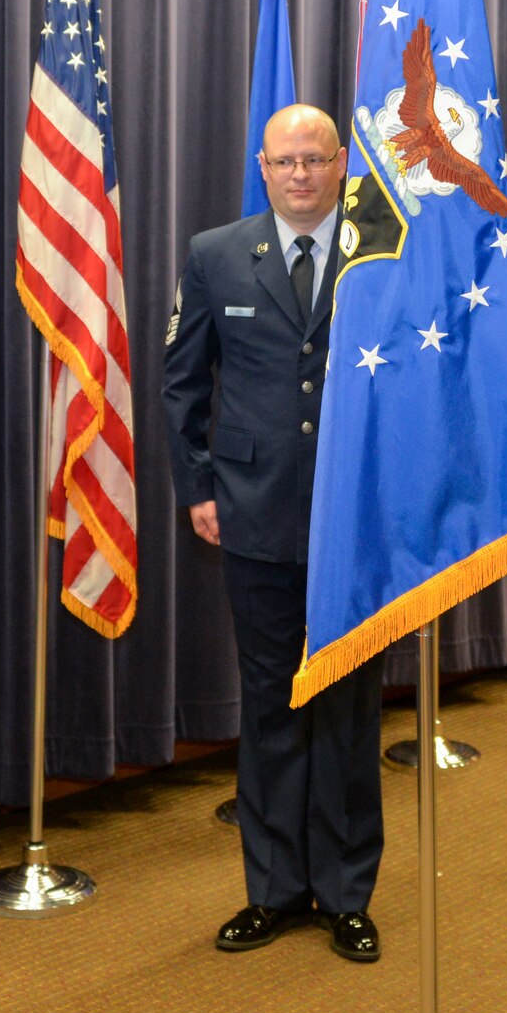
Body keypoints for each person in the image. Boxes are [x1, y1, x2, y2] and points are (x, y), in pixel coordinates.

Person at [162, 103, 384, 963]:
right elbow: (182, 384)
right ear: (264, 165)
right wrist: (198, 489)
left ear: (340, 166)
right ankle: (275, 889)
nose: (300, 173)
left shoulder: (381, 252)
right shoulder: (215, 254)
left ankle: (347, 892)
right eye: (285, 160)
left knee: (349, 709)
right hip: (250, 512)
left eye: (316, 159)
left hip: (354, 519)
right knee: (269, 705)